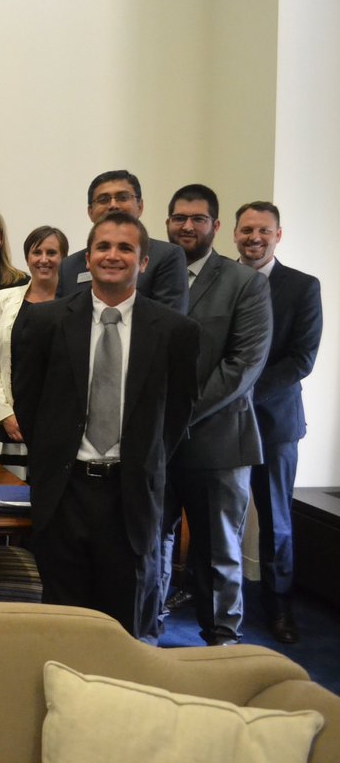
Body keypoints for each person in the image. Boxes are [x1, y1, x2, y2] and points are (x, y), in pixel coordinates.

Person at [13, 212, 198, 640]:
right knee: (64, 619)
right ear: (88, 258)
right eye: (103, 247)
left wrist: (142, 460)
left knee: (123, 620)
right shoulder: (46, 322)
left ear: (143, 262)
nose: (112, 255)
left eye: (125, 248)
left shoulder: (176, 331)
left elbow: (177, 414)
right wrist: (54, 457)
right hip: (65, 491)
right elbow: (28, 401)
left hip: (130, 494)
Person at [161, 184, 272, 646]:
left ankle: (221, 640)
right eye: (179, 218)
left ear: (216, 226)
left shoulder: (245, 283)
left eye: (198, 218)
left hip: (219, 443)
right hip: (156, 444)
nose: (187, 226)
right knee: (152, 545)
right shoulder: (150, 276)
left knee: (217, 551)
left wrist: (178, 413)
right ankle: (147, 631)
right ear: (167, 223)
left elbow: (242, 366)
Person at [233, 201, 321, 644]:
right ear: (234, 234)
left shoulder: (303, 287)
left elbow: (301, 358)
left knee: (276, 520)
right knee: (216, 515)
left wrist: (243, 393)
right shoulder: (218, 280)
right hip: (219, 422)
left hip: (275, 423)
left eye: (264, 230)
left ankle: (279, 605)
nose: (254, 237)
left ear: (278, 235)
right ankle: (210, 597)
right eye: (247, 229)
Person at [0, 226, 68, 477]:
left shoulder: (77, 302)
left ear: (64, 257)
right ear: (27, 258)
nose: (43, 259)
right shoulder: (4, 299)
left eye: (52, 252)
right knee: (6, 494)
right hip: (9, 422)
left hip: (58, 423)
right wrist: (4, 414)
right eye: (36, 252)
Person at [58, 170, 189, 313]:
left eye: (123, 197)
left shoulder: (166, 256)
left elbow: (169, 321)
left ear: (140, 206)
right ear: (90, 212)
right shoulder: (68, 266)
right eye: (103, 199)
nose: (113, 205)